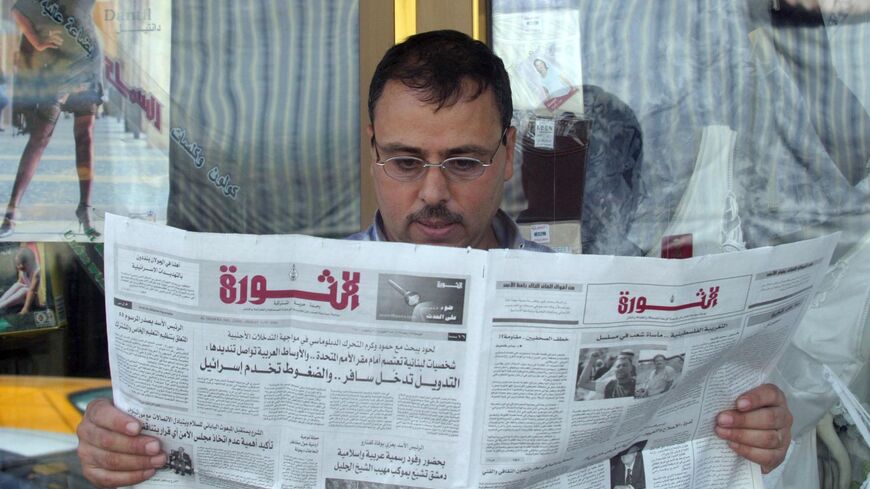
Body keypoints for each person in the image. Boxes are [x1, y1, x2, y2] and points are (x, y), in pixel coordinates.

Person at [75, 30, 794, 487]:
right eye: (405, 160)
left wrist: (753, 434)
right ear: (371, 150)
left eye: (464, 161)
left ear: (508, 154)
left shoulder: (583, 296)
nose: (433, 193)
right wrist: (118, 447)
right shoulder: (294, 305)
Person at [1, 0, 103, 239]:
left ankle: (85, 210)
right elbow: (17, 9)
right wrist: (36, 41)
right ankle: (11, 213)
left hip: (88, 63)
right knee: (40, 137)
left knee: (85, 136)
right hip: (58, 65)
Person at [0, 246, 40, 314]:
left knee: (25, 289)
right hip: (25, 295)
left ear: (30, 262)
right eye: (17, 265)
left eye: (21, 266)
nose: (19, 268)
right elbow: (20, 282)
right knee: (18, 285)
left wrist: (25, 308)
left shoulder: (36, 271)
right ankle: (1, 301)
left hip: (33, 299)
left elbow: (32, 291)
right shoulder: (23, 269)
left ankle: (2, 305)